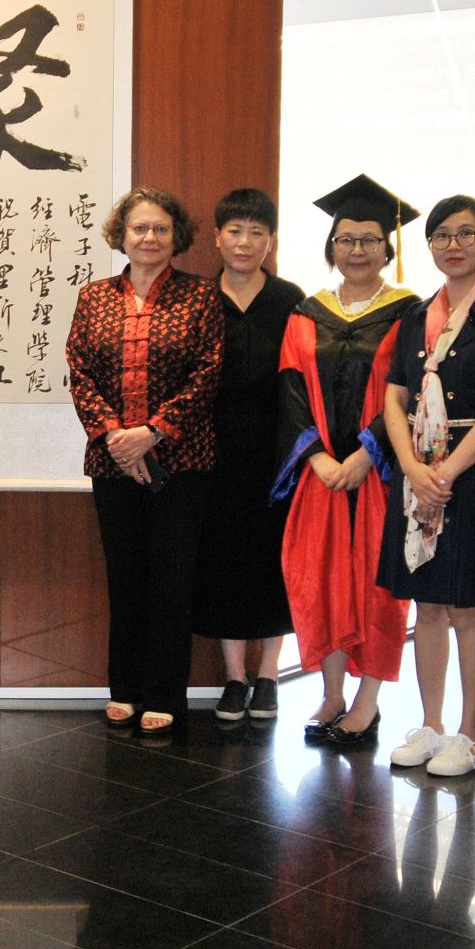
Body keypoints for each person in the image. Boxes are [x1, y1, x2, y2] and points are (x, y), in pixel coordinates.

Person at [65, 185, 224, 736]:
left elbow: (207, 372)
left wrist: (152, 433)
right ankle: (125, 690)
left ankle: (164, 694)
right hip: (112, 464)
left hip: (181, 463)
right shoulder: (94, 297)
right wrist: (116, 437)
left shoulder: (200, 297)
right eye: (139, 228)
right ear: (122, 235)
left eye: (160, 228)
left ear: (176, 236)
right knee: (125, 579)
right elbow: (79, 371)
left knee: (172, 583)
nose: (149, 237)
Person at [378, 196, 475, 778]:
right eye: (441, 235)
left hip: (471, 473)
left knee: (467, 607)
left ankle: (470, 734)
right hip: (417, 473)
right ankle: (431, 725)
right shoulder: (415, 316)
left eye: (466, 234)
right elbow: (394, 398)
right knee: (428, 605)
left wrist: (445, 473)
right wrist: (413, 469)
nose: (453, 245)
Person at [274, 174, 419, 749]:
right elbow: (289, 389)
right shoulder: (307, 312)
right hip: (322, 476)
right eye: (346, 240)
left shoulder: (410, 312)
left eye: (369, 240)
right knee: (319, 581)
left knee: (377, 588)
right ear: (331, 247)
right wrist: (316, 457)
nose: (357, 250)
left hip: (378, 473)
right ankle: (332, 693)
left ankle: (367, 702)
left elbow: (409, 391)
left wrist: (366, 454)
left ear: (387, 247)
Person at [193, 188, 305, 723]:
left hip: (276, 452)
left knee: (273, 560)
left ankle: (269, 675)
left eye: (256, 232)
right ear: (217, 238)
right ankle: (235, 677)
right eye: (235, 231)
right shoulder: (196, 299)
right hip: (211, 451)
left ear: (271, 241)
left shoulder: (291, 300)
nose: (245, 242)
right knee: (223, 561)